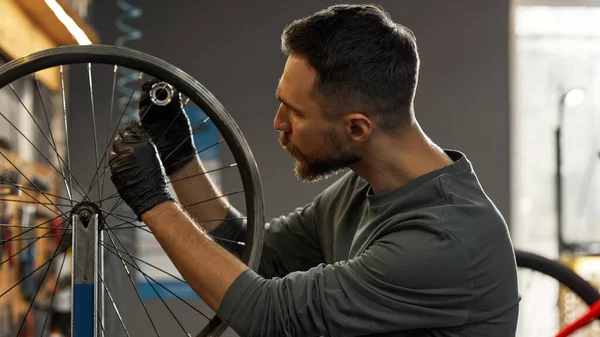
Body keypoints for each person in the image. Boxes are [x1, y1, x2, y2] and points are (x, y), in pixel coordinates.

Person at [109, 4, 520, 336]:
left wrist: (154, 202)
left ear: (356, 127)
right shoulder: (364, 188)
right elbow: (254, 253)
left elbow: (268, 315)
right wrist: (179, 157)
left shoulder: (444, 240)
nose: (279, 122)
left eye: (296, 112)